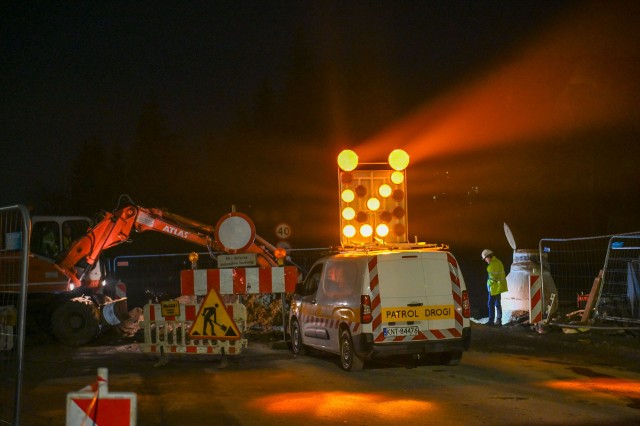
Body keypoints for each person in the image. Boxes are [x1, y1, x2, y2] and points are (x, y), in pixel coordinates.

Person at [482, 249, 508, 326]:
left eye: (485, 259)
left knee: (490, 304)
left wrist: (488, 284)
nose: (485, 261)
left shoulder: (492, 265)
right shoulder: (498, 262)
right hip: (499, 287)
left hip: (494, 288)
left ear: (488, 257)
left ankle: (491, 321)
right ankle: (499, 321)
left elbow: (492, 278)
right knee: (498, 304)